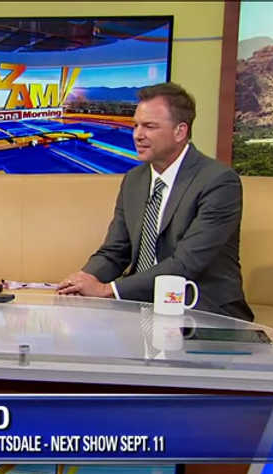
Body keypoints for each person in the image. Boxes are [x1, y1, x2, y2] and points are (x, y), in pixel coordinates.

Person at [57, 82, 253, 321]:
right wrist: (84, 279)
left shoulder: (218, 181)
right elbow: (115, 251)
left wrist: (108, 290)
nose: (137, 135)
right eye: (136, 125)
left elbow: (186, 263)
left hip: (201, 308)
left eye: (149, 126)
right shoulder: (134, 180)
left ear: (180, 131)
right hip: (138, 307)